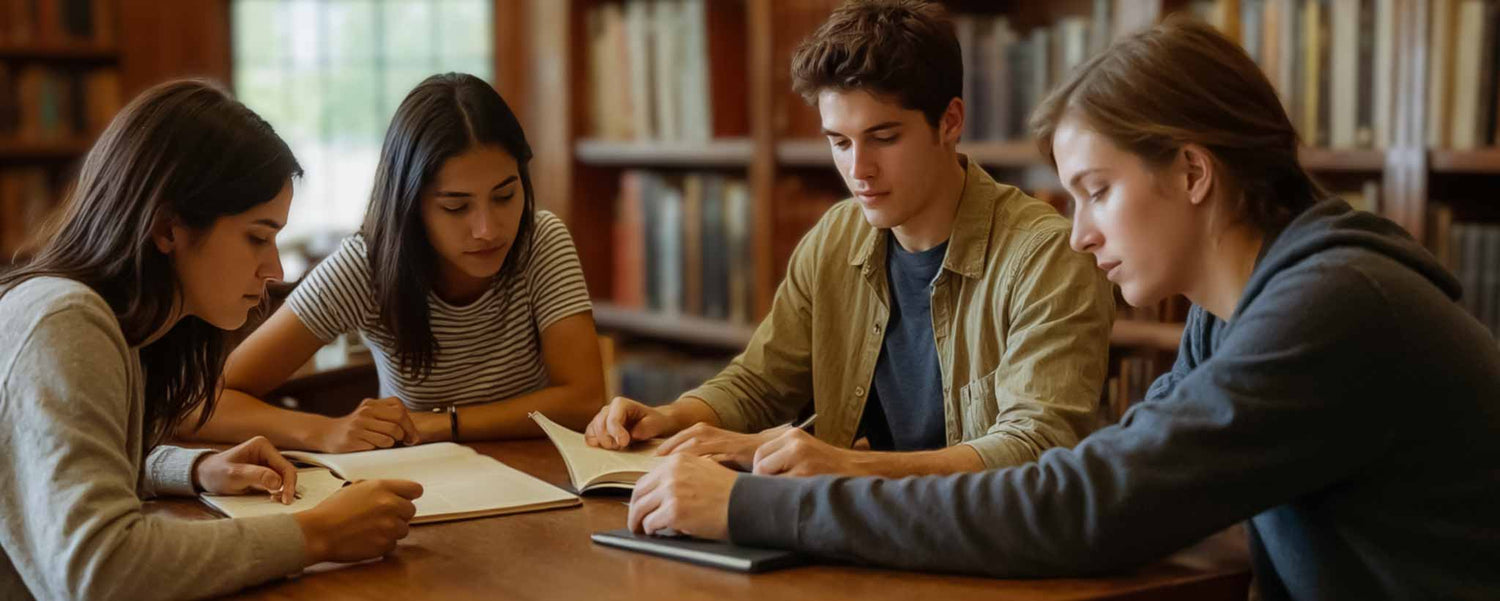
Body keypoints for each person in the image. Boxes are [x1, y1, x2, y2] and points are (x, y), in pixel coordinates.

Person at [624, 16, 1500, 600]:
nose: (1078, 234)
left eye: (1095, 191)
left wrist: (753, 508)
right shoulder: (1234, 313)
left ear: (1192, 174)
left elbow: (1081, 506)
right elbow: (1099, 478)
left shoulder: (1332, 310)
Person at [586, 0, 1114, 479]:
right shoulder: (837, 235)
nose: (858, 169)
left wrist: (841, 463)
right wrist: (670, 417)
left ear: (950, 121)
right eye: (839, 142)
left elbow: (1036, 448)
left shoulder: (1046, 256)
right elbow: (761, 382)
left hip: (985, 551)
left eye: (884, 138)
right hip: (855, 531)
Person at [0, 80, 423, 601]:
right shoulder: (66, 321)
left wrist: (197, 468)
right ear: (167, 228)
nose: (274, 268)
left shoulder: (114, 325)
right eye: (257, 237)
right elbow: (98, 570)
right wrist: (316, 534)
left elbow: (68, 466)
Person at [181, 73, 604, 452]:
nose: (488, 229)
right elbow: (202, 405)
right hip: (425, 487)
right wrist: (321, 431)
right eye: (456, 207)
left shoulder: (541, 239)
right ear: (410, 206)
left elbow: (583, 400)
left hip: (543, 477)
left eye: (505, 196)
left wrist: (441, 424)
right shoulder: (366, 266)